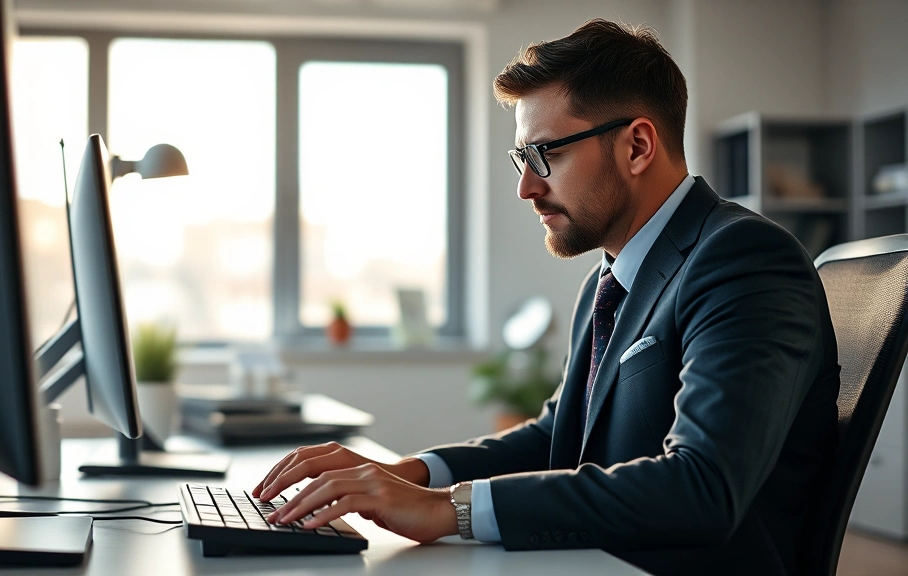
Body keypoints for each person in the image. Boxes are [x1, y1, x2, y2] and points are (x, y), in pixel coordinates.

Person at [253, 19, 839, 576]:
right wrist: (408, 473)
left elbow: (703, 486)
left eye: (544, 156)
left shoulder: (744, 259)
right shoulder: (610, 280)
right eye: (521, 159)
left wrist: (449, 508)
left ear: (637, 147)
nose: (526, 187)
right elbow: (555, 437)